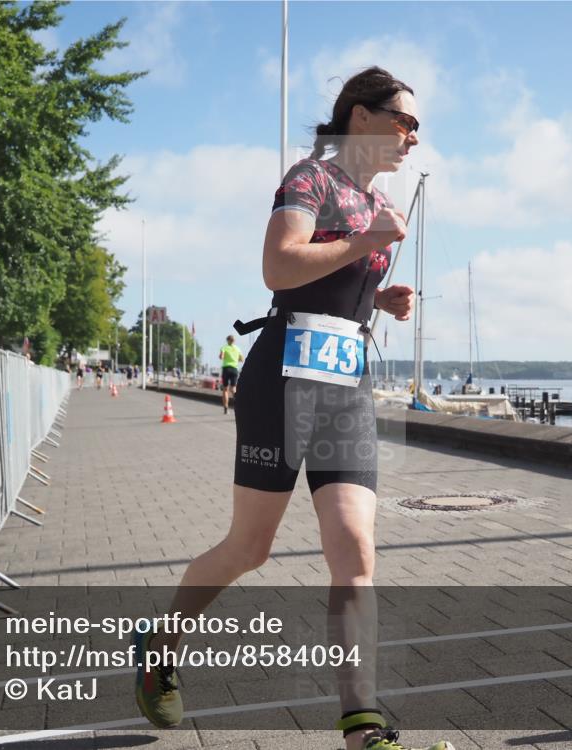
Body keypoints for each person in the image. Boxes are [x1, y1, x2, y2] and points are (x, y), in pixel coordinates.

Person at [131, 67, 451, 750]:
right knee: (250, 547)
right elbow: (280, 267)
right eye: (405, 122)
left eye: (419, 127)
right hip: (282, 382)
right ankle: (160, 644)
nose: (414, 137)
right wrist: (367, 246)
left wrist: (381, 300)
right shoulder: (311, 179)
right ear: (360, 117)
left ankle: (362, 724)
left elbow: (339, 281)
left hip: (346, 388)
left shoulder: (374, 199)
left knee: (355, 551)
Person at [218, 335, 244, 414]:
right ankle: (238, 406)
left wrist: (225, 357)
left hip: (226, 369)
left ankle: (226, 408)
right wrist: (235, 359)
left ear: (228, 340)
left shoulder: (224, 347)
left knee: (225, 389)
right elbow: (242, 359)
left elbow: (221, 357)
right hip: (234, 369)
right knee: (233, 389)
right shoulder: (237, 348)